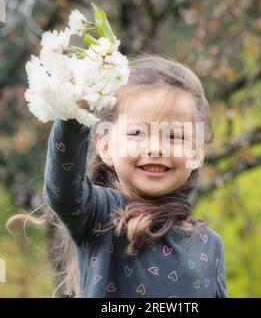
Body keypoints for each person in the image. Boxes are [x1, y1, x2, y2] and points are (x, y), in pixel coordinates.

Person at [7, 52, 228, 298]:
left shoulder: (210, 244)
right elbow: (63, 190)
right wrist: (75, 112)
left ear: (196, 152)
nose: (156, 148)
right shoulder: (99, 215)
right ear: (106, 147)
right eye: (137, 133)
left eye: (174, 136)